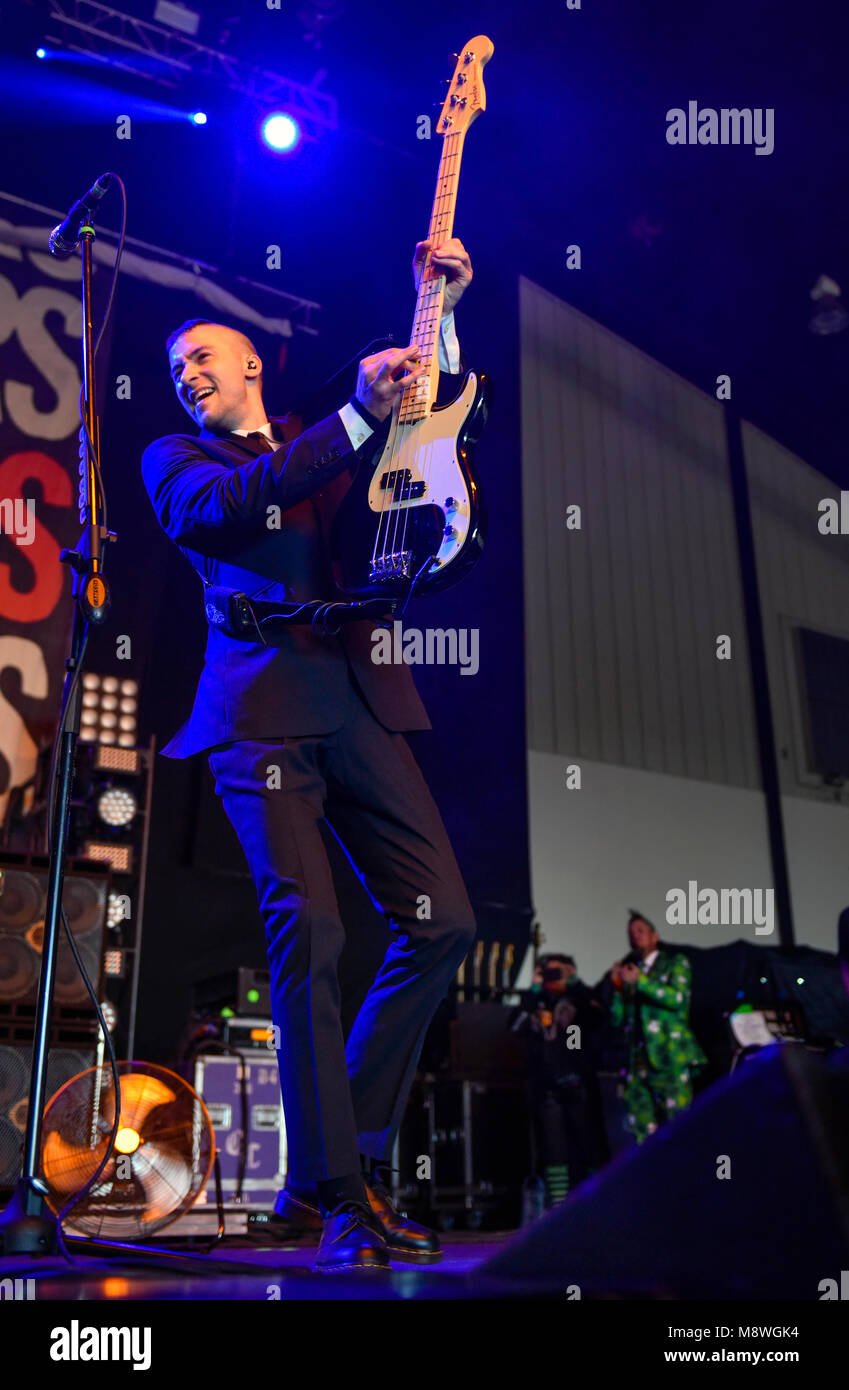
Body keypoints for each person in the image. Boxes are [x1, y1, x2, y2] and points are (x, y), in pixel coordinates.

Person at [141, 238, 477, 1272]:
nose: (189, 374)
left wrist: (440, 309)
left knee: (445, 922)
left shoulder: (329, 450)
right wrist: (357, 415)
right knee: (315, 933)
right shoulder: (179, 461)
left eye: (205, 355)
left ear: (251, 365)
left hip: (360, 697)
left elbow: (414, 450)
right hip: (259, 715)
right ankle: (338, 1194)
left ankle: (329, 1167)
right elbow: (226, 509)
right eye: (175, 368)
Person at [510, 953, 608, 1204]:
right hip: (546, 1088)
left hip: (579, 1083)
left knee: (589, 1148)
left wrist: (574, 984)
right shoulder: (537, 1002)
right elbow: (514, 1026)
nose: (552, 979)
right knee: (554, 1152)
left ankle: (595, 1204)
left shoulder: (580, 1000)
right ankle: (559, 1207)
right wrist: (532, 989)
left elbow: (599, 1014)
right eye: (548, 973)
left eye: (558, 973)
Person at [609, 911, 706, 1143]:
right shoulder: (631, 972)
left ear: (655, 936)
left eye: (641, 931)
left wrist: (640, 982)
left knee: (679, 1124)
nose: (635, 937)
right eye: (631, 934)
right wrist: (617, 988)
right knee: (641, 1128)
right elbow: (617, 1020)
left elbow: (678, 1000)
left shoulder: (675, 963)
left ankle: (685, 1175)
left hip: (669, 1055)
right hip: (638, 1061)